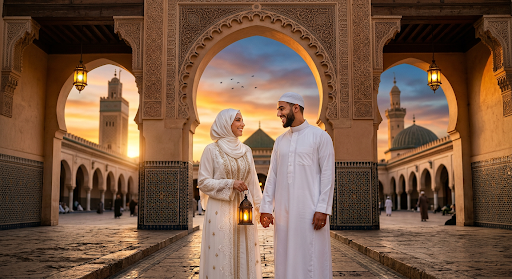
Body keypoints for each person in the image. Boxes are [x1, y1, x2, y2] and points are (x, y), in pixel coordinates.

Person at [260, 92, 335, 279]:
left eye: (281, 108)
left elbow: (328, 175)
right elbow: (273, 176)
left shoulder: (320, 137)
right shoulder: (280, 141)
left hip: (310, 213)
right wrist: (266, 208)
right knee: (285, 256)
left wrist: (323, 209)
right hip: (284, 214)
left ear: (296, 108)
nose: (278, 113)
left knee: (312, 257)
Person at [197, 109, 262, 279]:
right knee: (222, 253)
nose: (243, 124)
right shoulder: (211, 150)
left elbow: (253, 183)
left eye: (242, 120)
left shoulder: (246, 150)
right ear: (226, 124)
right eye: (238, 120)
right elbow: (203, 182)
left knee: (243, 254)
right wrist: (230, 184)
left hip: (243, 212)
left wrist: (262, 210)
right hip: (220, 211)